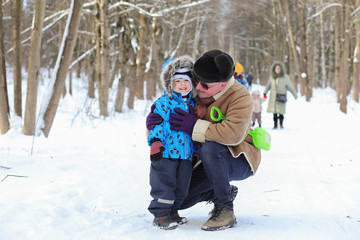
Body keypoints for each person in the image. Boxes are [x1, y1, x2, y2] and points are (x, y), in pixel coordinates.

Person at [146, 49, 261, 231]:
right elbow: (168, 109)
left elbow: (233, 134)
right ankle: (221, 191)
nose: (198, 88)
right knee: (179, 199)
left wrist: (194, 126)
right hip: (203, 159)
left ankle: (225, 209)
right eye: (196, 81)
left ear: (222, 85)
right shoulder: (194, 91)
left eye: (205, 86)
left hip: (238, 157)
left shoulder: (240, 96)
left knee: (212, 148)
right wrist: (153, 124)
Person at [147, 55, 197, 230]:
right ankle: (161, 214)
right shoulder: (164, 102)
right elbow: (157, 123)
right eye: (178, 81)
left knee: (182, 185)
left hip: (185, 154)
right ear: (170, 83)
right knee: (164, 183)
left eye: (186, 80)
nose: (182, 84)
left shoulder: (193, 104)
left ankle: (173, 211)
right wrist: (155, 142)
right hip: (166, 152)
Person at [263, 61, 298, 129]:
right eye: (276, 68)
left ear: (281, 69)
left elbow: (290, 87)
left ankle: (281, 124)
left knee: (281, 111)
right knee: (274, 112)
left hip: (281, 96)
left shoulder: (285, 77)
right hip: (273, 97)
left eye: (279, 68)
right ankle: (275, 124)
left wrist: (295, 95)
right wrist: (265, 93)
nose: (277, 70)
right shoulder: (272, 76)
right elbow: (268, 85)